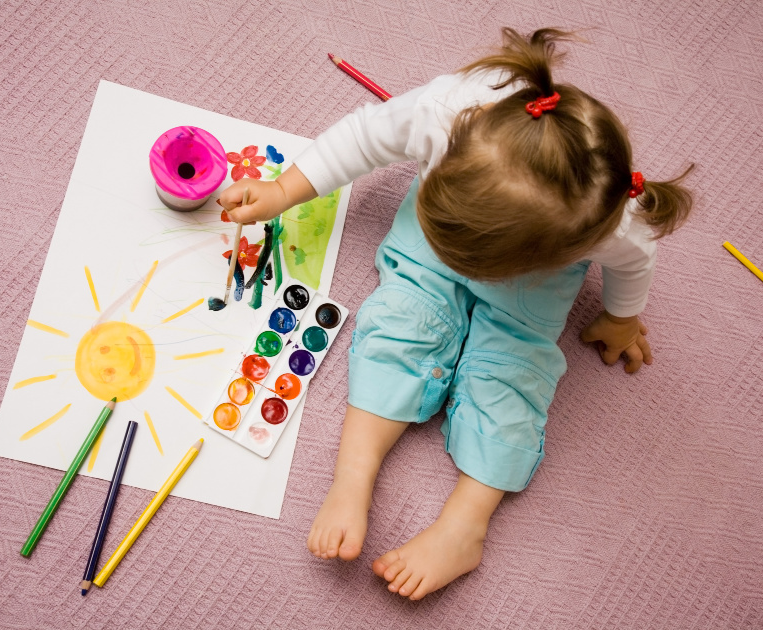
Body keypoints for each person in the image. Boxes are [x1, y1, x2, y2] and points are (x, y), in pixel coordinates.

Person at [219, 28, 693, 601]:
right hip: (432, 233)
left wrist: (621, 317)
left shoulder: (612, 219)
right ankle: (353, 476)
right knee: (396, 325)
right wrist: (286, 190)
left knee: (514, 379)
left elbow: (636, 263)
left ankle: (465, 525)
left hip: (535, 280)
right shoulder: (447, 111)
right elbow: (363, 138)